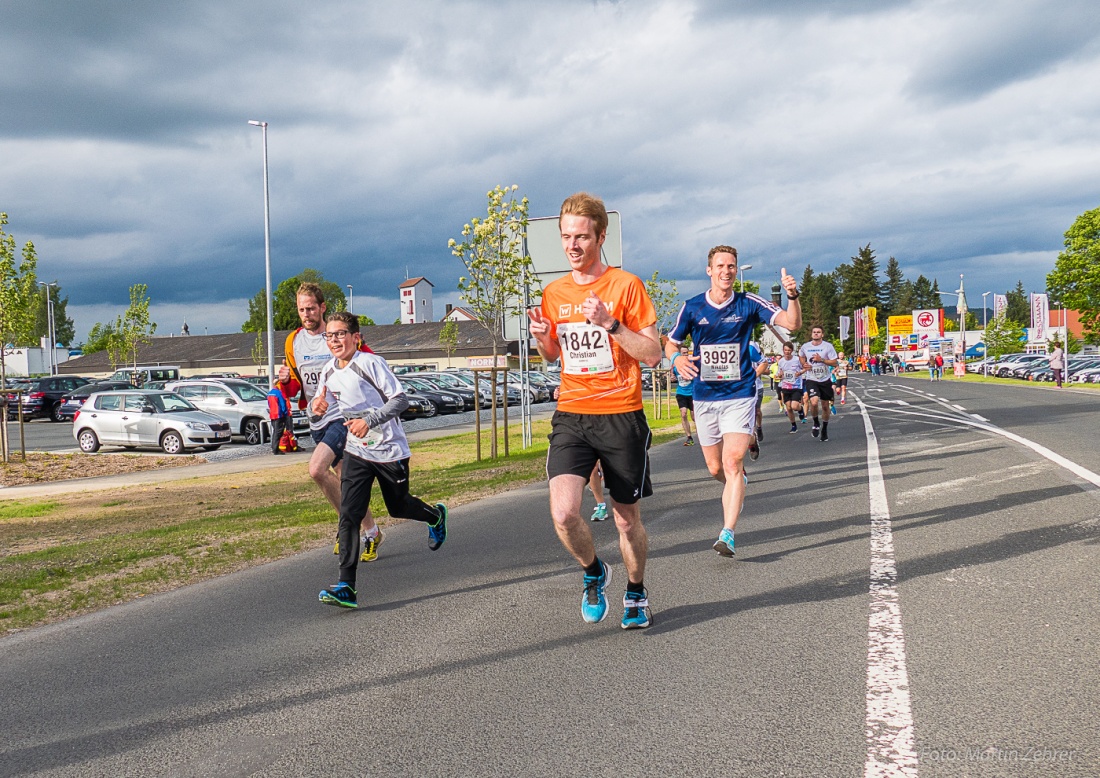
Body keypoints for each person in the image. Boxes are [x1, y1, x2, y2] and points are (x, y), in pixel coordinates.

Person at [526, 192, 662, 630]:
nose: (573, 245)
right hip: (572, 414)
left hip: (621, 413)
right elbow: (551, 355)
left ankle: (636, 590)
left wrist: (611, 324)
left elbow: (654, 354)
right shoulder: (554, 292)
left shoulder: (627, 286)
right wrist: (542, 336)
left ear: (601, 236)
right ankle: (593, 571)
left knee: (625, 519)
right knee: (564, 512)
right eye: (566, 237)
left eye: (582, 237)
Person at [665, 246, 801, 557]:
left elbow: (791, 325)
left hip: (739, 394)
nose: (727, 271)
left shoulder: (748, 303)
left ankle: (727, 533)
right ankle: (737, 483)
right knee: (715, 468)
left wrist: (793, 297)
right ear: (709, 270)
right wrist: (676, 359)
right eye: (721, 266)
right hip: (705, 397)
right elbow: (671, 341)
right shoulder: (692, 307)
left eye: (732, 266)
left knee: (732, 461)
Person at [313, 311, 449, 609]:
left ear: (355, 337)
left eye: (340, 334)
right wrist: (318, 406)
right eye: (330, 335)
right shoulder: (328, 370)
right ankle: (346, 586)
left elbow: (400, 400)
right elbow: (322, 403)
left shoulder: (370, 363)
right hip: (357, 450)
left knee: (397, 506)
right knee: (349, 513)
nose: (334, 340)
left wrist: (369, 420)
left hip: (389, 449)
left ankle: (435, 516)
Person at [278, 283, 384, 563]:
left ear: (322, 307)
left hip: (343, 417)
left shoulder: (337, 334)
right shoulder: (293, 342)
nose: (306, 314)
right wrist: (285, 382)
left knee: (316, 469)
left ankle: (346, 529)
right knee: (345, 482)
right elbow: (295, 388)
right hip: (317, 420)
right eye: (301, 309)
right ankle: (370, 532)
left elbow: (370, 362)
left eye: (311, 308)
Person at [798, 326, 838, 442]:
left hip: (825, 379)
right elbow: (801, 356)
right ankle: (816, 423)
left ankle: (824, 429)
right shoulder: (805, 346)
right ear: (811, 334)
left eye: (818, 332)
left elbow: (834, 362)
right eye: (814, 332)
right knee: (814, 402)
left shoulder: (828, 346)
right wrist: (804, 364)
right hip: (812, 379)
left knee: (825, 406)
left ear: (822, 334)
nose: (816, 334)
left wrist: (822, 360)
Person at [776, 342, 805, 433]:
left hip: (796, 386)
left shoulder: (797, 360)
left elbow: (805, 368)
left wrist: (799, 373)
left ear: (792, 351)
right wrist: (779, 375)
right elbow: (779, 373)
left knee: (794, 406)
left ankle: (800, 410)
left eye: (789, 350)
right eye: (785, 350)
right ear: (783, 350)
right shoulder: (781, 361)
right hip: (785, 386)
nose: (787, 352)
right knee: (788, 408)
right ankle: (793, 425)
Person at [672, 345, 696, 445]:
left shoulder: (692, 364)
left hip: (692, 393)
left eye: (686, 353)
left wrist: (691, 378)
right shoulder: (675, 366)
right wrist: (672, 378)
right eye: (683, 353)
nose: (685, 355)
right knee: (683, 413)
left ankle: (703, 436)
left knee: (694, 417)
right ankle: (689, 437)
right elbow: (672, 376)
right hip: (681, 393)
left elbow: (698, 376)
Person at [266, 382, 294, 454]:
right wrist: (285, 413)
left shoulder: (270, 393)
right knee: (278, 433)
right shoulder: (279, 393)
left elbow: (269, 404)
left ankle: (274, 447)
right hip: (279, 415)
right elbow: (283, 405)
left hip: (273, 415)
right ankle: (276, 449)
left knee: (275, 432)